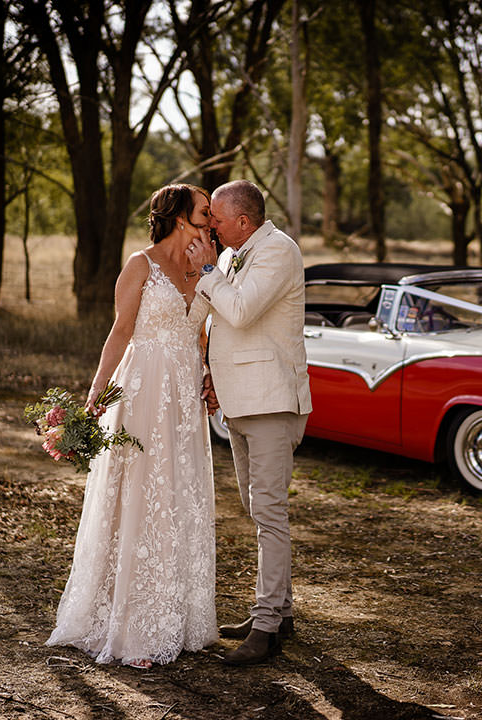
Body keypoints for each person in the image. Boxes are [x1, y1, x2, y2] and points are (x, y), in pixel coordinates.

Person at [46, 184, 218, 670]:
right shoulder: (140, 265)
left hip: (185, 396)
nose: (212, 220)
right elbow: (120, 331)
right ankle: (134, 628)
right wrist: (94, 394)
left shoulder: (207, 267)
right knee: (142, 495)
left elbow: (204, 334)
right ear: (181, 217)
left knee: (179, 494)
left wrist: (209, 376)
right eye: (204, 212)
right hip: (142, 393)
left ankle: (178, 620)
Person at [186, 179, 312, 666]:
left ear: (243, 221)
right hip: (241, 401)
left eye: (216, 218)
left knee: (270, 515)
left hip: (271, 402)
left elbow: (238, 310)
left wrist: (207, 269)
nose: (209, 226)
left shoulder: (278, 251)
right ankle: (280, 612)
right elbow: (221, 324)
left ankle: (265, 627)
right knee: (259, 510)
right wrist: (212, 372)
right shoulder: (240, 254)